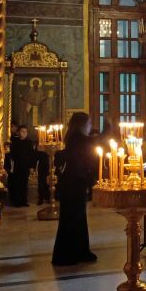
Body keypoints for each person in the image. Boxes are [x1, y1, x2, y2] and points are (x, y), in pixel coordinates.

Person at [51, 113, 97, 266]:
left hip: (74, 182)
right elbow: (91, 147)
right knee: (72, 218)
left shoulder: (74, 137)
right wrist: (107, 131)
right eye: (89, 123)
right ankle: (65, 255)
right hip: (73, 183)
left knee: (78, 217)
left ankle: (80, 251)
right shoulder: (79, 139)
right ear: (82, 124)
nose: (90, 126)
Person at [7, 125, 35, 207]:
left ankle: (24, 201)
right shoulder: (14, 142)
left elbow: (31, 155)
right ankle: (17, 202)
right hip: (16, 166)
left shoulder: (29, 143)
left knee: (24, 184)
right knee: (17, 184)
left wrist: (31, 166)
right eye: (22, 131)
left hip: (26, 166)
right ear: (18, 132)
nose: (24, 133)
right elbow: (11, 154)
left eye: (25, 132)